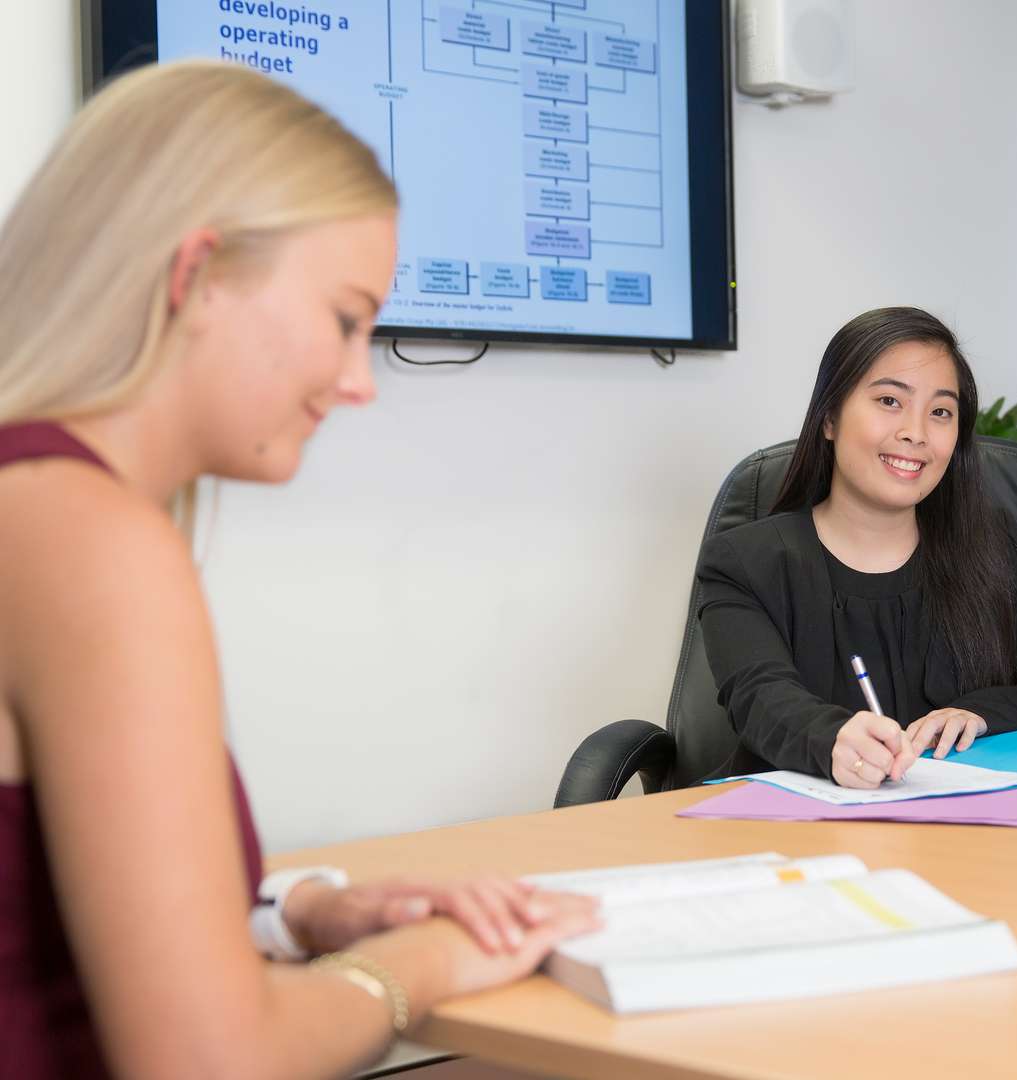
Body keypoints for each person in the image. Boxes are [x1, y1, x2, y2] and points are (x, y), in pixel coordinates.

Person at [0, 61, 599, 1078]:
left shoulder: (34, 505)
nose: (359, 382)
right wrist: (428, 961)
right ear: (194, 276)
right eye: (344, 318)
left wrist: (308, 913)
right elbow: (208, 1060)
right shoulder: (91, 542)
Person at [696, 307, 1017, 788]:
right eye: (890, 401)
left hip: (965, 839)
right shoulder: (745, 562)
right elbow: (760, 697)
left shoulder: (987, 551)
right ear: (829, 418)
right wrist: (832, 739)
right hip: (792, 842)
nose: (916, 433)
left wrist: (984, 712)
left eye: (940, 412)